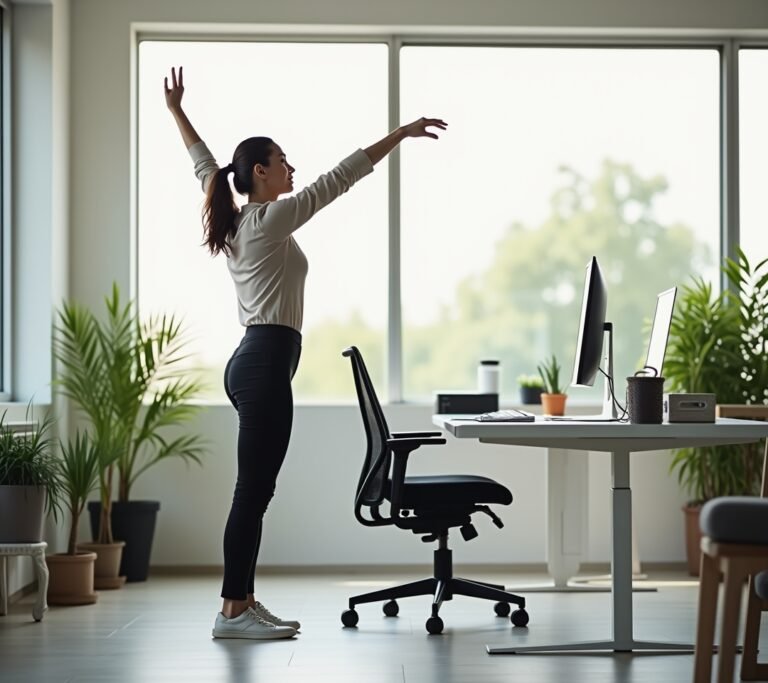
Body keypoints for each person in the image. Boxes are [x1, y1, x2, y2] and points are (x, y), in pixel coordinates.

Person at [164, 66, 447, 641]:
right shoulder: (269, 219)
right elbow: (338, 179)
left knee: (255, 491)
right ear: (260, 173)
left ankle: (242, 602)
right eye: (283, 161)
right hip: (264, 362)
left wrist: (177, 111)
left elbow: (204, 165)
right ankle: (232, 612)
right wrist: (400, 133)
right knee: (252, 493)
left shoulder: (239, 217)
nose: (291, 169)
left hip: (257, 360)